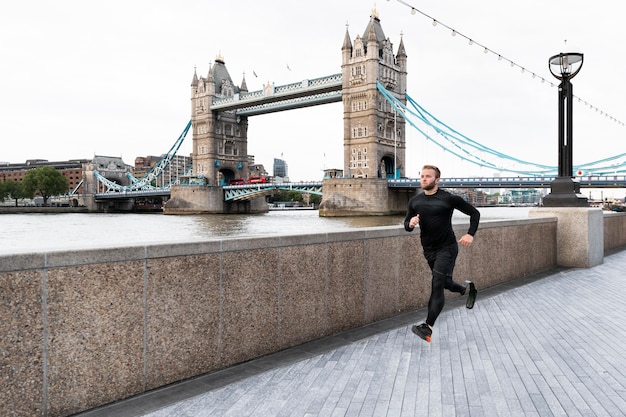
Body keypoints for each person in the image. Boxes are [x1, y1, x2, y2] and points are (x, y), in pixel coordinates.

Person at [403, 165, 480, 342]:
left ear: (437, 180)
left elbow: (474, 213)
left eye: (428, 177)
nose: (424, 179)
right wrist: (411, 223)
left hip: (447, 248)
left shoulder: (449, 198)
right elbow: (406, 224)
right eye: (422, 176)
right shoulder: (415, 201)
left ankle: (427, 327)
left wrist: (470, 234)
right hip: (429, 250)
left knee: (437, 283)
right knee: (445, 282)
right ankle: (465, 289)